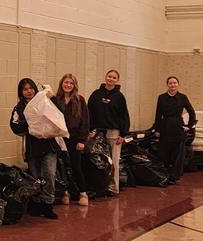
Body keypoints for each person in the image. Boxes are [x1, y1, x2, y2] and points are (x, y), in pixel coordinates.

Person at [9, 78, 58, 219]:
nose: (29, 91)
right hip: (31, 148)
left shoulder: (45, 101)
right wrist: (30, 120)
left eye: (31, 88)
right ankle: (36, 204)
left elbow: (59, 114)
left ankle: (48, 204)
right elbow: (15, 127)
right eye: (25, 89)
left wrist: (52, 98)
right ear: (21, 92)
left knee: (49, 175)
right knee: (35, 178)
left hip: (49, 146)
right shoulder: (18, 108)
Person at [88, 69, 130, 197]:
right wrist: (89, 130)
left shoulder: (120, 97)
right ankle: (97, 186)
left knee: (114, 162)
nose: (111, 79)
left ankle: (112, 188)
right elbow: (89, 112)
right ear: (105, 77)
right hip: (97, 132)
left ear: (117, 80)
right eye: (109, 76)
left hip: (113, 133)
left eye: (114, 77)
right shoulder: (95, 94)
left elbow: (124, 116)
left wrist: (123, 134)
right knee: (96, 160)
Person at [52, 73, 91, 206]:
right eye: (66, 82)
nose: (68, 85)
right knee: (63, 167)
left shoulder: (80, 100)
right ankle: (65, 192)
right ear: (61, 84)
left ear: (74, 85)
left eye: (71, 83)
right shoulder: (56, 99)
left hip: (75, 138)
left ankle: (83, 193)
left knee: (76, 166)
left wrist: (82, 140)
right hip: (60, 138)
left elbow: (85, 121)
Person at [152, 76, 196, 183]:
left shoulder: (183, 97)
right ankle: (164, 175)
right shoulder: (161, 97)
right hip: (165, 126)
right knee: (164, 152)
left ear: (178, 84)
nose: (173, 85)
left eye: (175, 83)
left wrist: (189, 126)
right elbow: (158, 114)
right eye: (170, 83)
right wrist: (157, 129)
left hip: (178, 126)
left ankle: (174, 176)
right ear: (167, 85)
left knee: (177, 154)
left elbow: (191, 112)